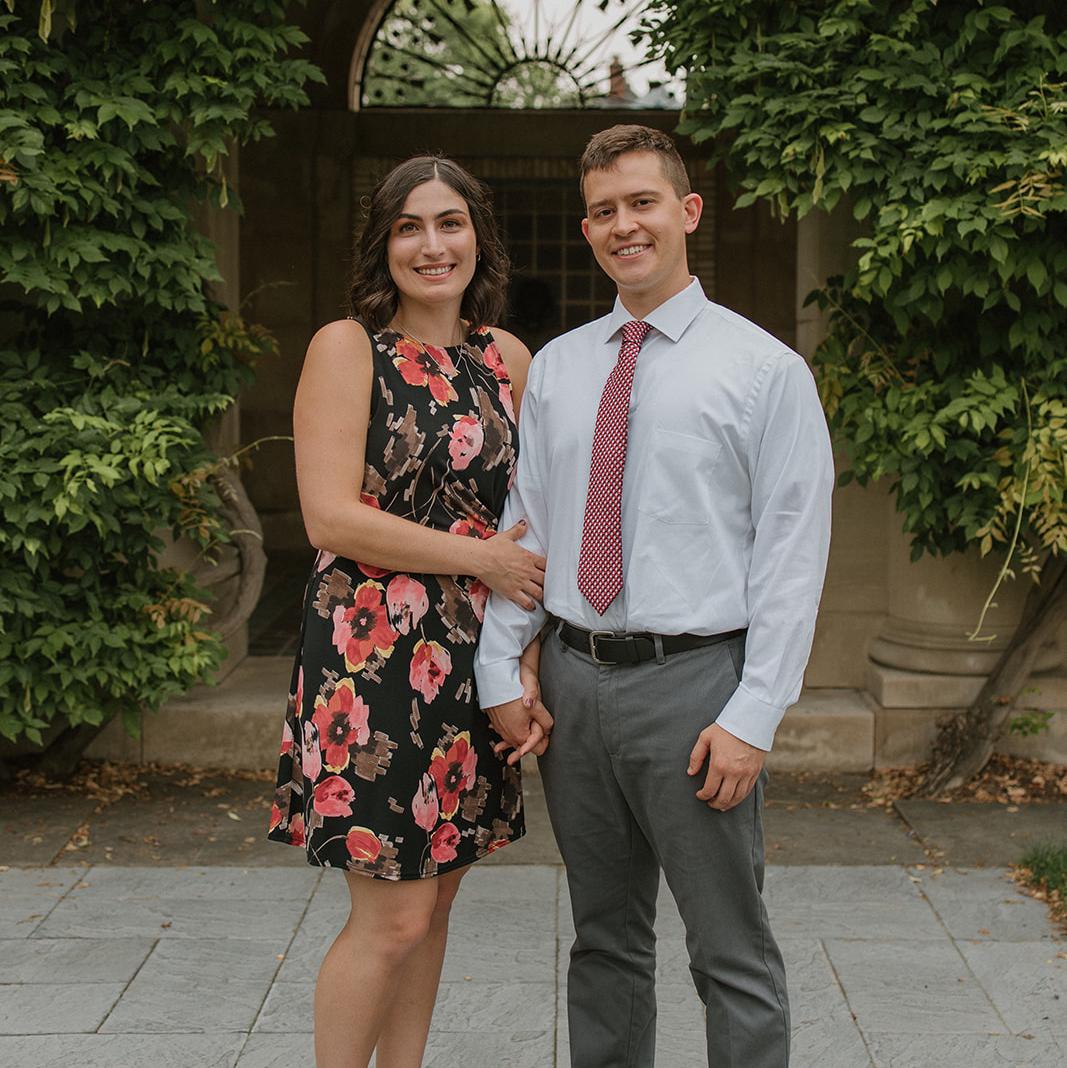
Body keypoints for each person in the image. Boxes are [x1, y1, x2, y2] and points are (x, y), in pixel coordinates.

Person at [474, 124, 834, 1068]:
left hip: (696, 688)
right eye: (603, 211)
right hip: (572, 682)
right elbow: (529, 528)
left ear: (688, 211)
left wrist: (754, 714)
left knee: (728, 950)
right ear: (586, 230)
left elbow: (792, 556)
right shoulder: (559, 367)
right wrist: (499, 666)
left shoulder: (764, 371)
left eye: (642, 203)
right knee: (603, 941)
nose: (623, 225)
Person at [267, 155, 552, 1068]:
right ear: (382, 245)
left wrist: (523, 662)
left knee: (433, 906)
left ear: (479, 236)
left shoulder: (506, 358)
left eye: (450, 223)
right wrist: (482, 559)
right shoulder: (347, 347)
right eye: (409, 227)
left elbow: (532, 516)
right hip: (371, 659)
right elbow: (329, 516)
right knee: (390, 918)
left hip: (474, 660)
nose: (433, 245)